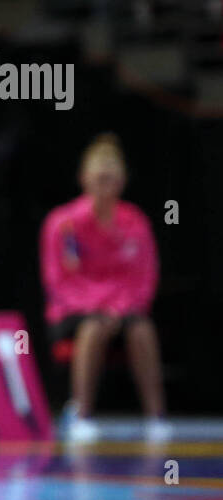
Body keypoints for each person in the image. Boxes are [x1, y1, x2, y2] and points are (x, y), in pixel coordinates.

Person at [40, 134, 167, 443]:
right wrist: (99, 307)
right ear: (84, 179)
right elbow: (61, 280)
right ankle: (82, 414)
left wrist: (119, 308)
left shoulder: (135, 222)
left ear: (122, 181)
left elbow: (144, 276)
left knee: (142, 330)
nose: (105, 183)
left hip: (123, 308)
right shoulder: (64, 223)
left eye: (111, 177)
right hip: (74, 311)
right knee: (93, 328)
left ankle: (156, 417)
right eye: (99, 177)